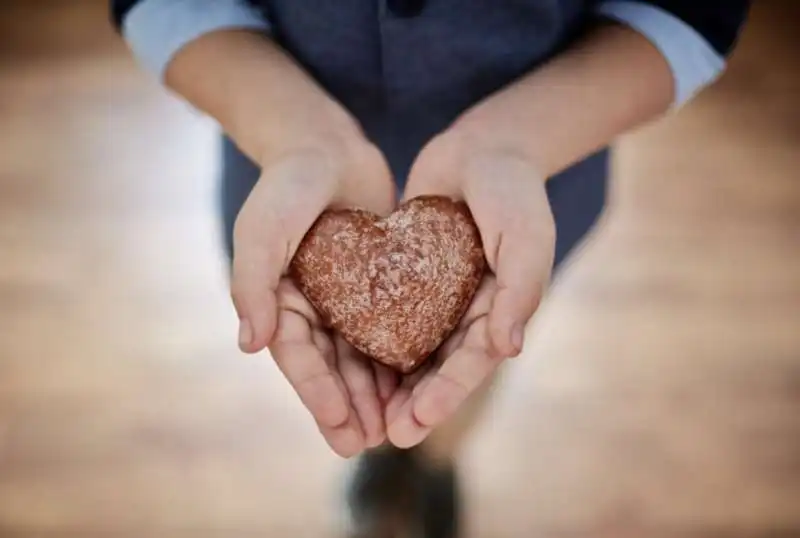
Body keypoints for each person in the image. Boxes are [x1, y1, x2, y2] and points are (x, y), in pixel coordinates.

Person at [110, 1, 751, 536]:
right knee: (402, 370)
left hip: (531, 175)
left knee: (482, 349)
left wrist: (518, 142)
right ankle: (393, 461)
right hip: (283, 169)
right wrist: (289, 130)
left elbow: (692, 9)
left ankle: (436, 461)